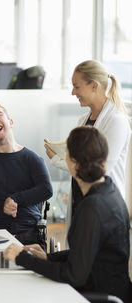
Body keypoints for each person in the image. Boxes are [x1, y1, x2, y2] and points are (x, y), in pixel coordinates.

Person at [4, 126, 132, 303]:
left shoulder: (92, 207)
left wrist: (22, 258)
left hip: (98, 297)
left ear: (73, 163)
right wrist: (48, 257)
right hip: (113, 290)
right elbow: (85, 253)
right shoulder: (110, 191)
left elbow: (74, 275)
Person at [44, 59, 131, 239]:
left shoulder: (116, 121)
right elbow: (79, 161)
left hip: (102, 206)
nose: (73, 92)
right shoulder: (82, 120)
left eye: (77, 87)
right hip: (81, 199)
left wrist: (57, 160)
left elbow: (100, 169)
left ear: (94, 86)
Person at [0, 102, 53, 249]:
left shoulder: (32, 159)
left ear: (10, 122)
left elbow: (46, 189)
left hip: (28, 237)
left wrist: (16, 199)